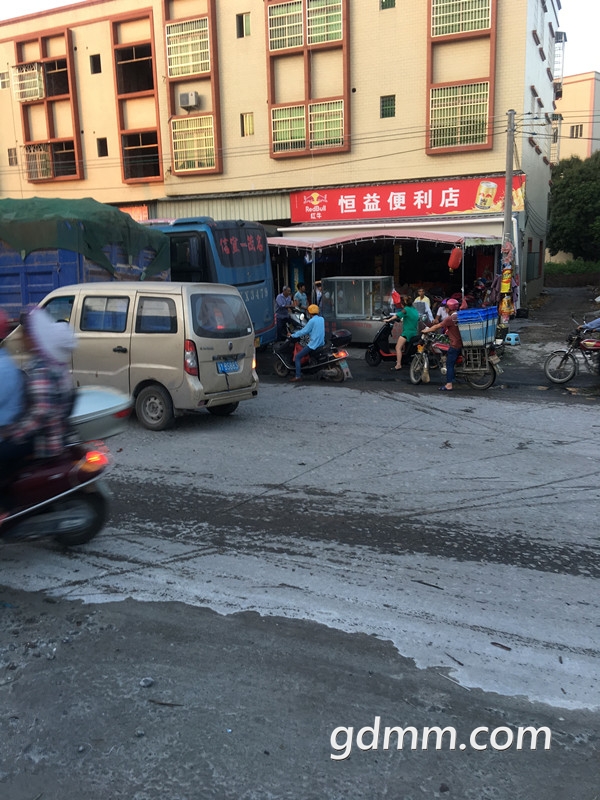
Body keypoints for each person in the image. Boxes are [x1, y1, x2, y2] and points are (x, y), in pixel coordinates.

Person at [0, 307, 77, 485]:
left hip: (44, 440)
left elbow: (42, 412)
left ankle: (6, 500)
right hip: (50, 434)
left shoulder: (42, 368)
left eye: (24, 334)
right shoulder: (53, 363)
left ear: (33, 337)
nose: (20, 338)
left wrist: (14, 433)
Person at [422, 297, 463, 391]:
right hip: (460, 342)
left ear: (449, 308)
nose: (445, 310)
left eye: (446, 308)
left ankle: (449, 385)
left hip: (455, 345)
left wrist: (427, 330)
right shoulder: (459, 316)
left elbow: (437, 326)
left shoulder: (450, 318)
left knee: (449, 364)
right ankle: (452, 377)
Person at [288, 303, 325, 382]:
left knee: (297, 357)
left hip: (313, 344)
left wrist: (292, 335)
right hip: (321, 343)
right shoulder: (322, 319)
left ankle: (298, 376)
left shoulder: (312, 321)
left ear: (310, 313)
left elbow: (304, 331)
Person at [385, 296, 420, 371]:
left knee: (398, 347)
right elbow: (413, 318)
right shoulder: (414, 309)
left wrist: (388, 320)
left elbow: (397, 315)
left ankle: (398, 365)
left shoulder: (406, 309)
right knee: (407, 348)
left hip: (407, 333)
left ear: (403, 304)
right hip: (414, 332)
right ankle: (406, 361)